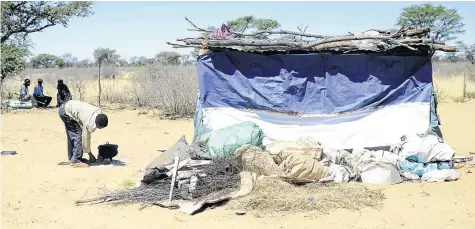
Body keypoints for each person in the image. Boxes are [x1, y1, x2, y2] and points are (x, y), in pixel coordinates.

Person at [58, 100, 109, 168]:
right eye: (99, 127)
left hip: (66, 107)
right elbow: (85, 139)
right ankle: (75, 160)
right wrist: (90, 154)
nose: (99, 129)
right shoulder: (89, 123)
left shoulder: (100, 113)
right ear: (96, 123)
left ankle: (73, 157)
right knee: (78, 135)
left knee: (72, 135)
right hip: (65, 112)